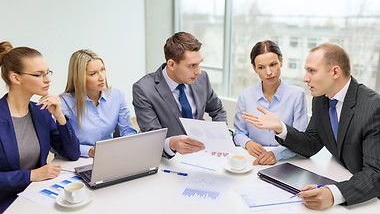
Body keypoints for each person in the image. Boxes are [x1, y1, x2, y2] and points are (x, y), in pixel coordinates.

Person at [242, 43, 380, 210]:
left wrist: (332, 194)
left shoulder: (373, 107)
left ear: (335, 72)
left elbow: (375, 174)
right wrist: (281, 128)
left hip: (369, 198)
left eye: (312, 71)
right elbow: (312, 144)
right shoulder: (321, 99)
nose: (305, 78)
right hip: (342, 176)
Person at [0, 42, 80, 212]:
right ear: (15, 78)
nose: (48, 79)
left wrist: (59, 116)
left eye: (47, 73)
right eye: (39, 75)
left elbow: (72, 153)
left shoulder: (41, 112)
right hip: (7, 202)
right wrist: (31, 175)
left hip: (38, 195)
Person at [133, 32, 227, 158]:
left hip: (202, 156)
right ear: (171, 64)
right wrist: (172, 144)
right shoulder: (143, 89)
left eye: (199, 63)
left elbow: (218, 110)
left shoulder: (201, 78)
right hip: (166, 160)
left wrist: (219, 139)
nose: (198, 71)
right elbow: (152, 137)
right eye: (192, 65)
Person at [234, 40, 307, 165]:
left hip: (287, 161)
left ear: (281, 62)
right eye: (261, 67)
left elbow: (301, 139)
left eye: (273, 64)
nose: (268, 72)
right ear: (254, 68)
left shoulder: (297, 95)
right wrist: (248, 143)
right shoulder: (245, 96)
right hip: (253, 159)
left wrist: (276, 154)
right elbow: (239, 133)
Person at [60, 49, 137, 158]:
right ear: (79, 77)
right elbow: (58, 145)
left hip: (109, 157)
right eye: (93, 74)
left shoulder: (117, 96)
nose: (102, 77)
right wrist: (89, 151)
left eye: (102, 70)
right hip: (77, 159)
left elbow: (128, 132)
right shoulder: (65, 102)